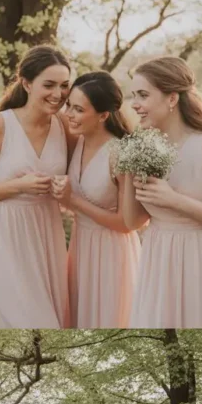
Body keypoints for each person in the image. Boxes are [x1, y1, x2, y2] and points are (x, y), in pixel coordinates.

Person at [122, 57, 202, 329]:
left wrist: (174, 200)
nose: (134, 104)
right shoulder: (145, 144)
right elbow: (132, 222)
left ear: (172, 98)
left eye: (143, 95)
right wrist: (128, 167)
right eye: (133, 96)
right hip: (157, 259)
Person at [0, 45, 71, 328]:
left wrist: (66, 188)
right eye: (49, 85)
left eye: (64, 85)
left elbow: (78, 175)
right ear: (26, 83)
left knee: (54, 323)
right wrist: (19, 185)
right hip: (5, 236)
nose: (58, 94)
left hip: (47, 234)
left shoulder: (64, 125)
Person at [52, 71, 141, 329]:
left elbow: (126, 223)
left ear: (103, 115)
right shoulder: (77, 141)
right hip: (81, 247)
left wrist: (72, 201)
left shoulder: (120, 154)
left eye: (79, 109)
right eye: (69, 105)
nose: (69, 114)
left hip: (111, 253)